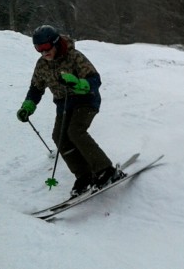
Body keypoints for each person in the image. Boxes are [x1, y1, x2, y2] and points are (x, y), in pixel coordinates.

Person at [17, 25, 125, 197]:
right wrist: (28, 106)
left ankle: (106, 170)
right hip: (64, 105)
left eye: (45, 47)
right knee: (59, 136)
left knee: (75, 132)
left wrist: (78, 83)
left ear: (55, 43)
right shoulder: (42, 64)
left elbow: (94, 79)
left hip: (86, 101)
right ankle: (84, 175)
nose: (43, 53)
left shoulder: (74, 57)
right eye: (38, 49)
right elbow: (36, 88)